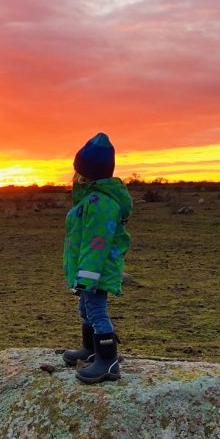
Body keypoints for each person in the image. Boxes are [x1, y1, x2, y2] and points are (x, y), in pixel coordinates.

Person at [61, 132, 133, 384]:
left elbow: (97, 244)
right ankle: (90, 348)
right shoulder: (91, 199)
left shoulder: (101, 203)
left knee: (96, 309)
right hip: (89, 269)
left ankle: (108, 361)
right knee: (86, 308)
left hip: (97, 270)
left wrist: (87, 276)